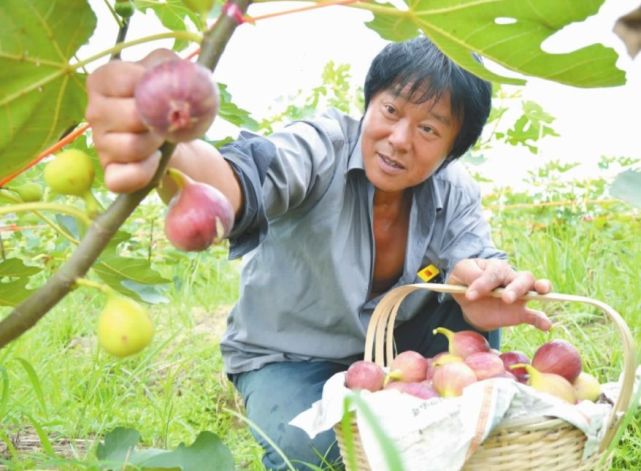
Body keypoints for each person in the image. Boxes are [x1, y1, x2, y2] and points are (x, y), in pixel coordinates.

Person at [86, 36, 552, 470]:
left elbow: (478, 259)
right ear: (369, 103)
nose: (400, 138)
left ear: (453, 149)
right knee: (318, 449)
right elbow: (243, 178)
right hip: (293, 357)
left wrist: (482, 285)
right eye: (390, 109)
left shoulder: (455, 192)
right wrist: (169, 148)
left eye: (429, 129)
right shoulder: (320, 147)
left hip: (404, 348)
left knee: (471, 388)